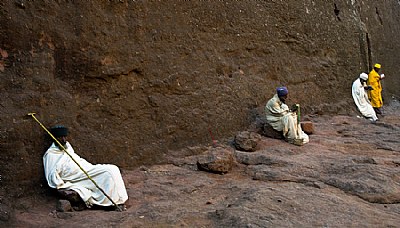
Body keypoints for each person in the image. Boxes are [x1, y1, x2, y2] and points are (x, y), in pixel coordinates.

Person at [43, 125, 128, 210]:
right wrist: (61, 183)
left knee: (113, 169)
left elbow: (75, 158)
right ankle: (110, 203)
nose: (63, 140)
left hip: (85, 168)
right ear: (54, 138)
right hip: (76, 176)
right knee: (108, 172)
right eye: (60, 138)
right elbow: (51, 174)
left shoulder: (67, 147)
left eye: (65, 137)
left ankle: (118, 200)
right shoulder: (50, 154)